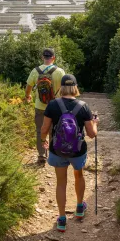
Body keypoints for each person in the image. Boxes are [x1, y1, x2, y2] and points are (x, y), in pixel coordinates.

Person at [40, 74, 98, 232]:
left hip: (57, 150)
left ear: (61, 87)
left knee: (61, 182)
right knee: (78, 175)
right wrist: (95, 122)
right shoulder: (83, 106)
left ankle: (62, 219)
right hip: (78, 151)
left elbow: (44, 129)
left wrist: (43, 140)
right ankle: (79, 208)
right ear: (75, 87)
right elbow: (92, 134)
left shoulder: (52, 105)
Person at [25, 48, 65, 165]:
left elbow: (28, 87)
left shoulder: (35, 71)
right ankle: (53, 154)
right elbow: (64, 90)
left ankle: (41, 155)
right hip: (56, 106)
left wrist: (27, 96)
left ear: (43, 57)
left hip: (40, 106)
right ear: (53, 58)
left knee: (40, 131)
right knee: (55, 130)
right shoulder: (60, 72)